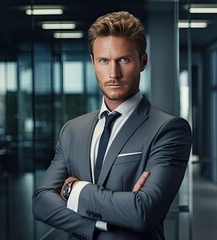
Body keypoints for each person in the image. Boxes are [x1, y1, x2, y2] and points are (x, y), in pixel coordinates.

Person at [33, 11, 192, 240]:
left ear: (142, 61)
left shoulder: (168, 130)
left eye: (124, 59)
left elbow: (143, 212)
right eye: (104, 61)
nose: (113, 73)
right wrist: (103, 222)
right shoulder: (72, 130)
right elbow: (41, 202)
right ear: (93, 63)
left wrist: (73, 189)